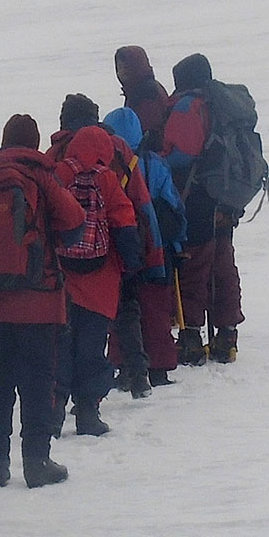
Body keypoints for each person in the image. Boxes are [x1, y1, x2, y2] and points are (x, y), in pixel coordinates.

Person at [0, 114, 85, 487]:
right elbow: (74, 224)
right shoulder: (42, 178)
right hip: (39, 303)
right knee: (38, 383)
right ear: (34, 143)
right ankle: (36, 463)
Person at [50, 96, 145, 437]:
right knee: (92, 345)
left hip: (62, 277)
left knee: (61, 343)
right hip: (102, 278)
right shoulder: (107, 178)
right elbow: (124, 220)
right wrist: (133, 263)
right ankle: (88, 411)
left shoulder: (57, 173)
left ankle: (54, 408)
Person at [162, 51, 247, 364]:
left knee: (194, 265)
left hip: (198, 197)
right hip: (226, 197)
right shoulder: (223, 103)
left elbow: (182, 153)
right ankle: (227, 336)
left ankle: (191, 338)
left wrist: (158, 158)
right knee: (223, 265)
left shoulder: (189, 104)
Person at [103, 104, 181, 392]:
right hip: (155, 247)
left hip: (121, 248)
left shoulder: (109, 164)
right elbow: (172, 204)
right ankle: (158, 366)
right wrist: (176, 240)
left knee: (122, 310)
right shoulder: (154, 164)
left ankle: (124, 365)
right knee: (157, 310)